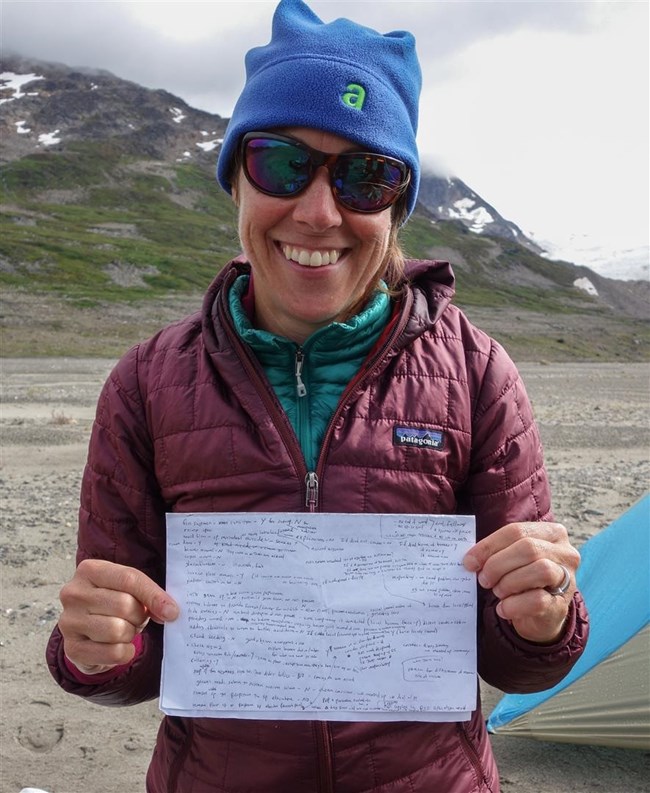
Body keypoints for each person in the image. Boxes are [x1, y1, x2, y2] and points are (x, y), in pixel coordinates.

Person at [46, 1, 589, 791]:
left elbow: (523, 660)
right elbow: (132, 658)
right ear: (234, 177)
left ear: (397, 209)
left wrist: (545, 617)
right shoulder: (147, 383)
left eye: (367, 176)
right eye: (281, 163)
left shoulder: (477, 374)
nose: (319, 211)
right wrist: (93, 648)